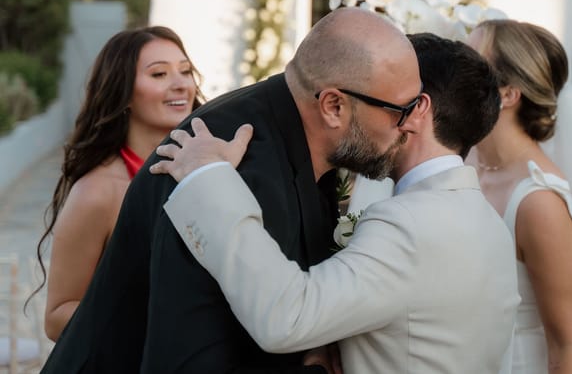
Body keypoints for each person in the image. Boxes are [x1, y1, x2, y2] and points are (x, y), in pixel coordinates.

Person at [40, 7, 424, 374]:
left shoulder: (286, 142)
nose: (411, 126)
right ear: (333, 106)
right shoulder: (233, 172)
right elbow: (190, 363)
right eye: (401, 110)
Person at [150, 33, 520, 374]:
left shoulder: (410, 224)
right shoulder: (488, 222)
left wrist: (209, 179)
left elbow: (287, 318)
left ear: (416, 110)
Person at [466, 19, 572, 373]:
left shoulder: (539, 203)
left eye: (470, 63)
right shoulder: (464, 162)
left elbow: (568, 345)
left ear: (508, 93)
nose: (455, 72)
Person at [30, 26, 202, 341]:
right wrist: (158, 322)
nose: (180, 85)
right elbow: (56, 318)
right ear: (123, 93)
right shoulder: (98, 192)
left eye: (186, 71)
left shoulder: (208, 170)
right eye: (159, 74)